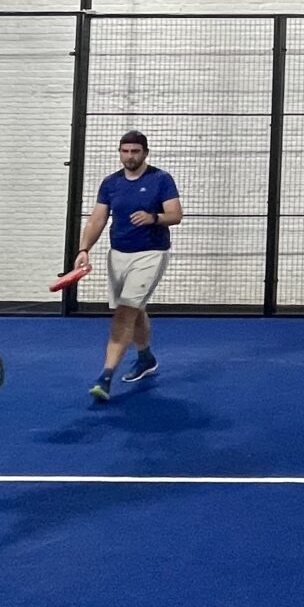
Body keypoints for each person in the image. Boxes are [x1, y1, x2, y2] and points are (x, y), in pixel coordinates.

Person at [73, 129, 182, 404]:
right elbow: (97, 219)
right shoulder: (111, 183)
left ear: (145, 153)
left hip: (151, 254)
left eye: (135, 151)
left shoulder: (161, 179)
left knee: (124, 313)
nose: (130, 156)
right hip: (118, 255)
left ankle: (105, 377)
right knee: (135, 309)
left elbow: (175, 214)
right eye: (125, 151)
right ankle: (145, 358)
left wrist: (153, 217)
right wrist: (84, 250)